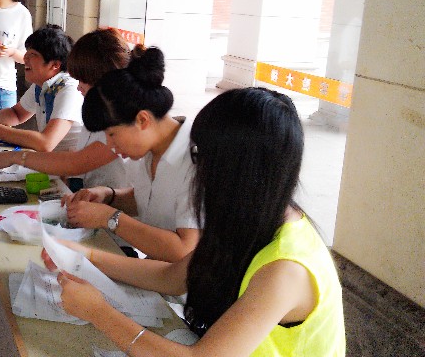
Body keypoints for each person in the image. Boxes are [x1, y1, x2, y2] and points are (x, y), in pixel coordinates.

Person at [43, 88, 346, 356]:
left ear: (235, 171)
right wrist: (84, 256)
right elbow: (172, 278)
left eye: (200, 155)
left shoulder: (285, 270)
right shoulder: (246, 221)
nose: (195, 168)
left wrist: (98, 312)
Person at [57, 47, 200, 262]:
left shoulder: (194, 161)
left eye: (112, 134)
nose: (110, 144)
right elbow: (149, 197)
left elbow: (184, 250)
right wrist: (108, 196)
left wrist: (109, 218)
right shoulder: (150, 149)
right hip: (153, 268)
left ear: (142, 120)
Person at [0, 28, 131, 191]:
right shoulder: (97, 109)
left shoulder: (120, 119)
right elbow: (78, 163)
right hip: (89, 190)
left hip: (105, 196)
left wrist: (11, 152)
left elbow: (72, 160)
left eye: (33, 54)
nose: (78, 87)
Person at [0, 25, 83, 152]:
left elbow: (46, 143)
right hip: (55, 158)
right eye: (27, 52)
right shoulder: (43, 84)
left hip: (72, 164)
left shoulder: (69, 89)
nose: (25, 58)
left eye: (33, 54)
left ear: (55, 65)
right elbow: (16, 114)